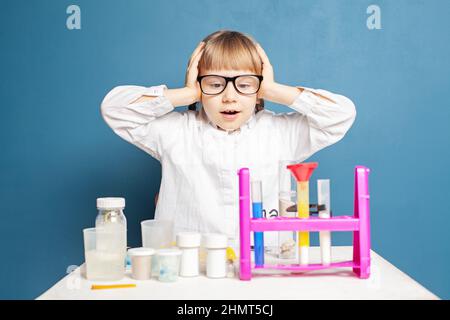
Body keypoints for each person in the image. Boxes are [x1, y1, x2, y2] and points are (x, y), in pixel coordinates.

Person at [100, 30, 356, 247]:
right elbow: (114, 109)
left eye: (244, 84)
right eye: (214, 84)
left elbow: (341, 114)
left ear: (259, 90)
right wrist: (185, 94)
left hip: (263, 268)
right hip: (187, 271)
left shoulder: (279, 133)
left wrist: (273, 90)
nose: (229, 96)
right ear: (198, 88)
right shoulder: (175, 132)